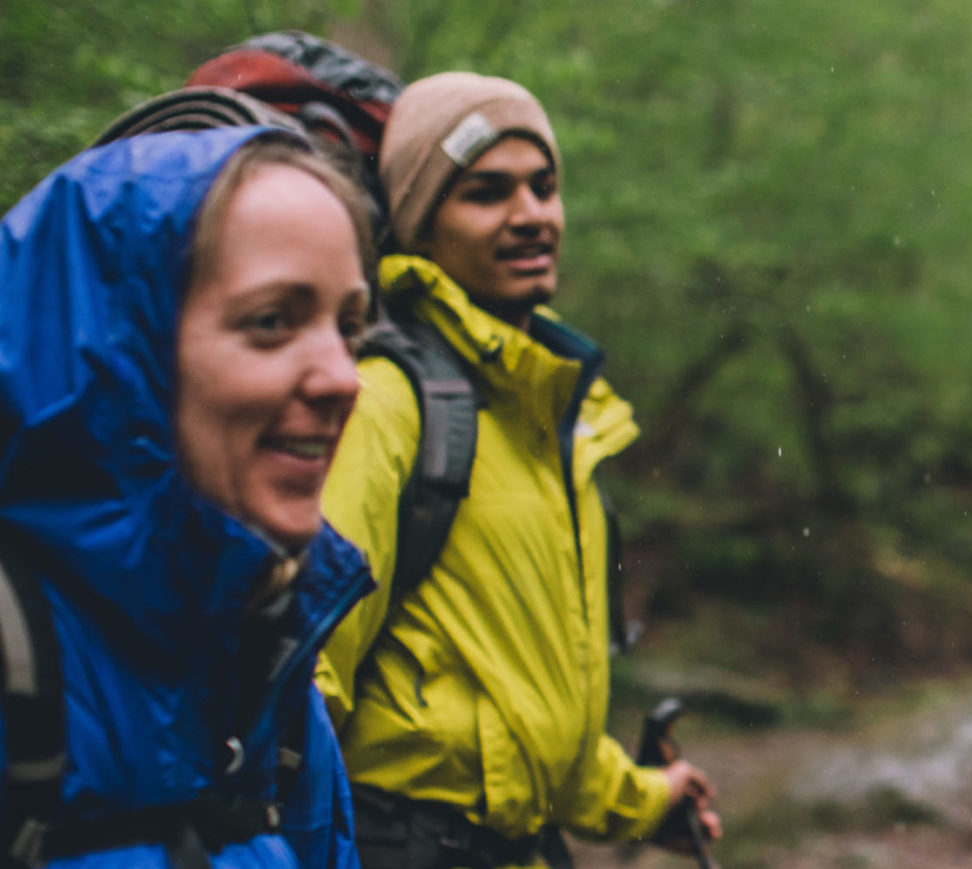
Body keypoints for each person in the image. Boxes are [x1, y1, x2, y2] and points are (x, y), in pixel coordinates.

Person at [311, 72, 717, 868]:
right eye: (487, 192)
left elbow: (535, 722)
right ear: (421, 224)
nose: (530, 214)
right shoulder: (386, 403)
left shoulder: (553, 420)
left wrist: (644, 801)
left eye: (544, 186)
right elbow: (304, 682)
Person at [0, 128, 375, 869]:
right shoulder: (18, 657)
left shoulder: (269, 664)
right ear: (118, 351)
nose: (344, 377)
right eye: (272, 321)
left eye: (349, 326)